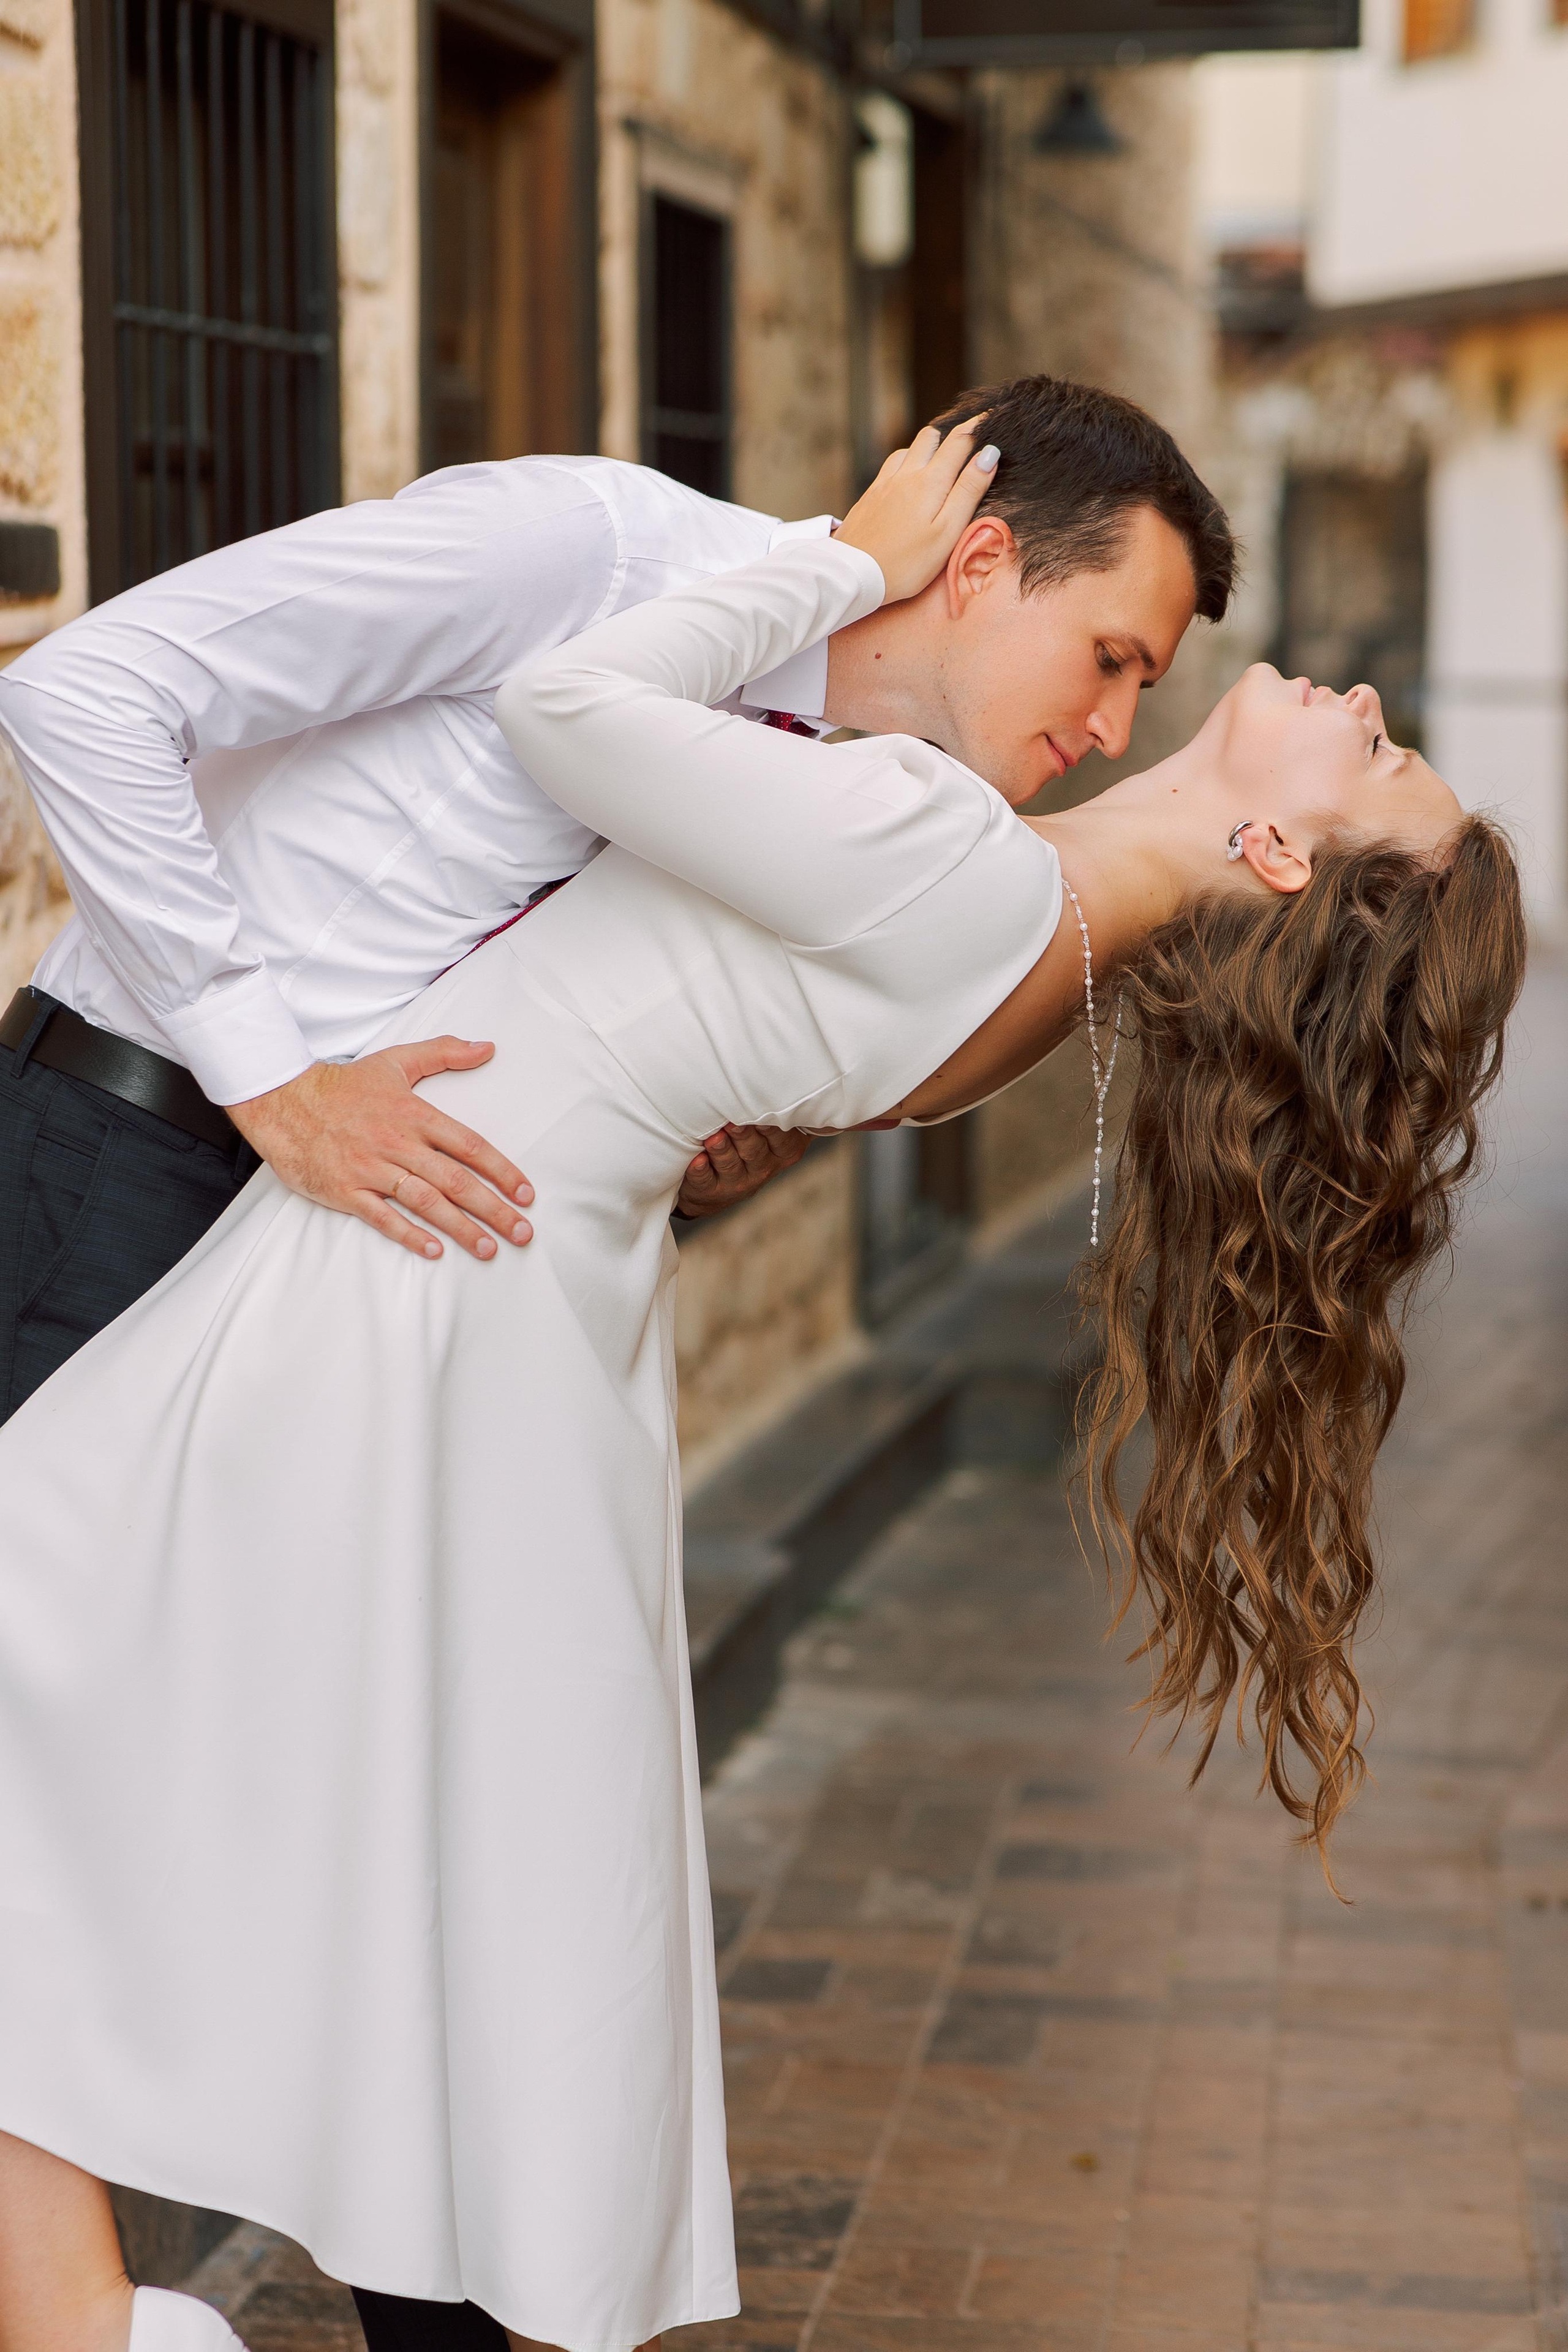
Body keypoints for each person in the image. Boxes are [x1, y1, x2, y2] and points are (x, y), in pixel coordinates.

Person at [0, 421, 1525, 2352]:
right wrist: (356, 1077)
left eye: (1370, 750)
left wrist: (819, 578)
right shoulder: (688, 626)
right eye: (1116, 656)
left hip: (419, 1283)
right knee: (365, 1856)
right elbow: (124, 704)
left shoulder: (964, 857)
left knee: (235, 1793)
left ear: (1282, 853)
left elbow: (618, 795)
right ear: (977, 568)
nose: (1132, 714)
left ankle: (93, 2325)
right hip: (298, 1214)